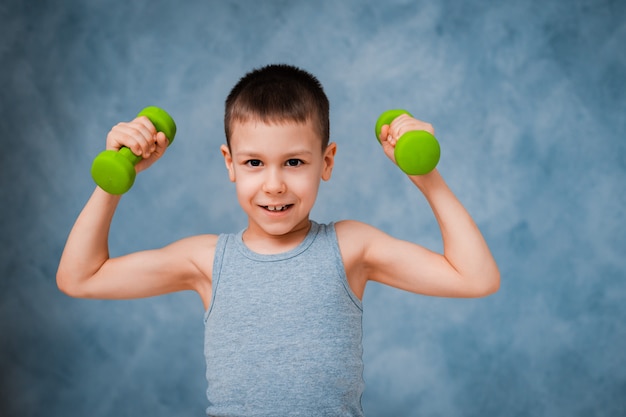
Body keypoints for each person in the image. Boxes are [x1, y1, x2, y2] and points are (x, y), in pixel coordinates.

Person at [57, 63, 500, 416]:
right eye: (253, 162)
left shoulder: (351, 247)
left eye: (293, 161)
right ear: (228, 163)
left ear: (326, 161)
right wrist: (114, 180)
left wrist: (426, 177)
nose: (273, 185)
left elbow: (475, 278)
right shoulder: (208, 260)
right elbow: (80, 278)